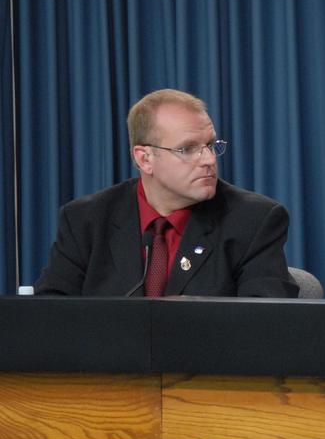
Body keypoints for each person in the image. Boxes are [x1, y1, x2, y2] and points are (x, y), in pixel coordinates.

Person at [35, 89, 298, 297]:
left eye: (209, 145)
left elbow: (265, 328)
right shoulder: (86, 220)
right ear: (145, 158)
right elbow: (51, 316)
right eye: (187, 149)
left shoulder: (254, 220)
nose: (208, 159)